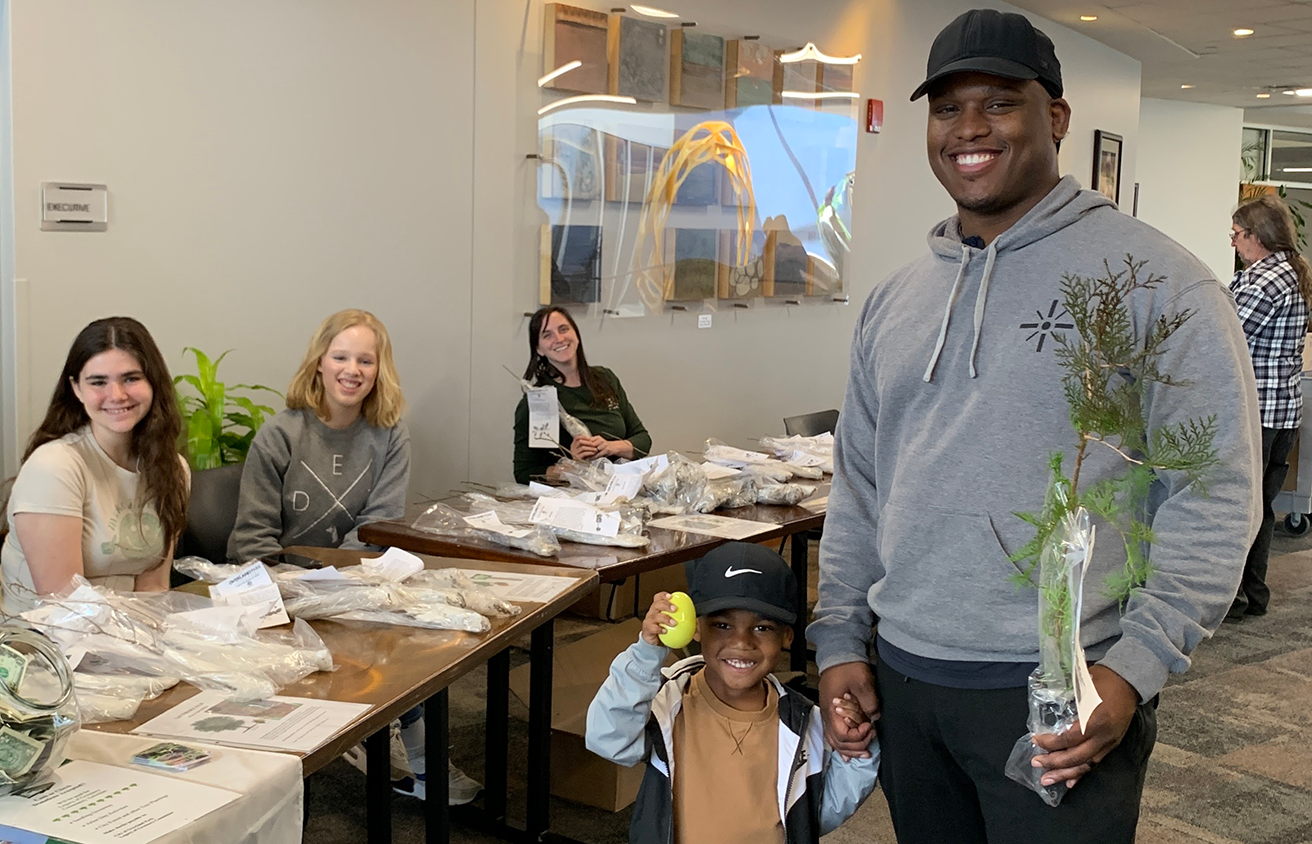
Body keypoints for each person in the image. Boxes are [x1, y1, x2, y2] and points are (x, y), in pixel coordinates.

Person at [807, 9, 1262, 844]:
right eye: (947, 108)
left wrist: (1133, 670)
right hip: (907, 681)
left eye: (998, 102)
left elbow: (1214, 492)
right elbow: (860, 488)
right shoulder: (894, 301)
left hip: (1063, 689)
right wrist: (840, 635)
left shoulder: (1159, 285)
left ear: (1055, 117)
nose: (969, 129)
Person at [226, 309, 478, 804]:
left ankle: (406, 745)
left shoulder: (389, 434)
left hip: (350, 581)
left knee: (420, 630)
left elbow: (378, 526)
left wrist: (336, 585)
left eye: (366, 360)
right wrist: (314, 587)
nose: (352, 369)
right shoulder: (280, 435)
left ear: (380, 370)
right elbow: (252, 543)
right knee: (372, 630)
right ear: (319, 362)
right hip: (277, 587)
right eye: (341, 356)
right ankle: (384, 737)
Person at [587, 542, 879, 844]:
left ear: (787, 636)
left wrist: (856, 755)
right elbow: (608, 739)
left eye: (762, 628)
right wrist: (646, 654)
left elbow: (820, 811)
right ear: (696, 628)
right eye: (722, 625)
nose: (741, 642)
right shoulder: (667, 702)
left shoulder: (804, 723)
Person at [0, 317, 189, 619]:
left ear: (154, 382)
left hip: (128, 637)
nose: (117, 395)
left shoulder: (171, 468)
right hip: (44, 644)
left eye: (131, 378)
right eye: (98, 382)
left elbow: (153, 588)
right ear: (76, 389)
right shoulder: (55, 466)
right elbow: (64, 606)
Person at [1227, 195, 1312, 620]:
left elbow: (1225, 333)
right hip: (1281, 412)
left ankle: (1241, 597)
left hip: (1259, 415)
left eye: (1238, 234)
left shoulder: (1265, 281)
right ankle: (1252, 594)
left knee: (1244, 508)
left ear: (1258, 237)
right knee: (1259, 509)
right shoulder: (1285, 274)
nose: (1234, 243)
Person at [512, 306, 651, 483]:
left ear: (576, 335)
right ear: (538, 349)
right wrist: (573, 465)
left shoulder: (605, 379)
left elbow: (643, 440)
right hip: (571, 499)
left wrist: (609, 447)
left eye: (564, 329)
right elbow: (524, 473)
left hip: (622, 488)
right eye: (547, 335)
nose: (559, 339)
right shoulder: (538, 401)